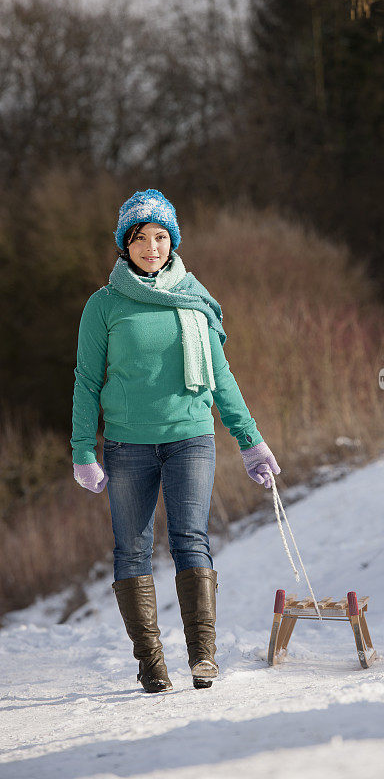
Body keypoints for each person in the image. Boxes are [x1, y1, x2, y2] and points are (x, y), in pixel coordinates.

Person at [71, 188, 281, 692]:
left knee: (191, 540)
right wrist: (83, 449)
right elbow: (86, 379)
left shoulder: (192, 299)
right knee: (132, 550)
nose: (151, 247)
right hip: (127, 445)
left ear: (173, 241)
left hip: (191, 437)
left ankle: (203, 657)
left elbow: (221, 377)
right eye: (140, 238)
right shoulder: (104, 305)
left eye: (160, 237)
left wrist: (250, 441)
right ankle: (150, 662)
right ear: (125, 245)